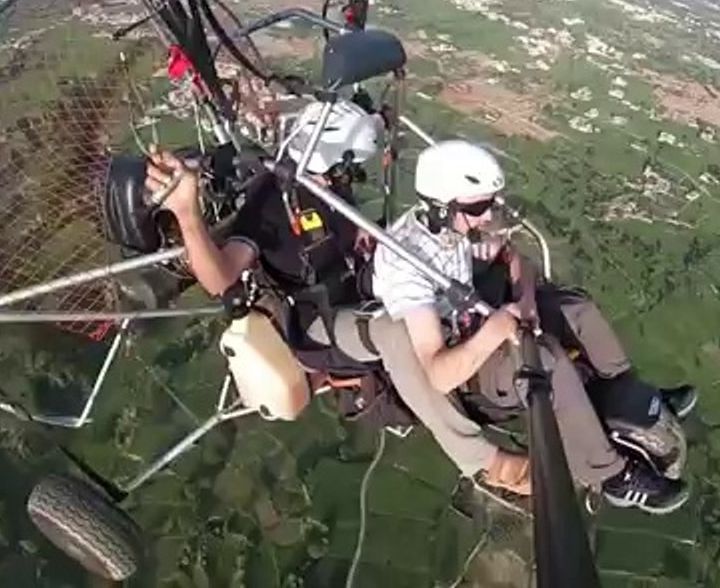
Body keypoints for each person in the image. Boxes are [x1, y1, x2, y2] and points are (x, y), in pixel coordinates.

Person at [144, 99, 532, 496]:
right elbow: (222, 277)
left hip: (358, 287)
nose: (349, 178)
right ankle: (484, 461)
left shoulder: (327, 186)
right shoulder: (273, 200)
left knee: (453, 277)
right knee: (395, 332)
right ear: (333, 160)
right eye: (347, 169)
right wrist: (188, 215)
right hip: (321, 322)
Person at [370, 139, 695, 514]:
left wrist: (526, 305)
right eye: (477, 207)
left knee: (577, 309)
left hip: (485, 322)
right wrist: (496, 328)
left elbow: (515, 259)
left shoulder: (452, 230)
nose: (486, 215)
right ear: (441, 206)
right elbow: (439, 375)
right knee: (546, 359)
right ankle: (611, 477)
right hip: (470, 369)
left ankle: (628, 397)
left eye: (488, 203)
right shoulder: (409, 263)